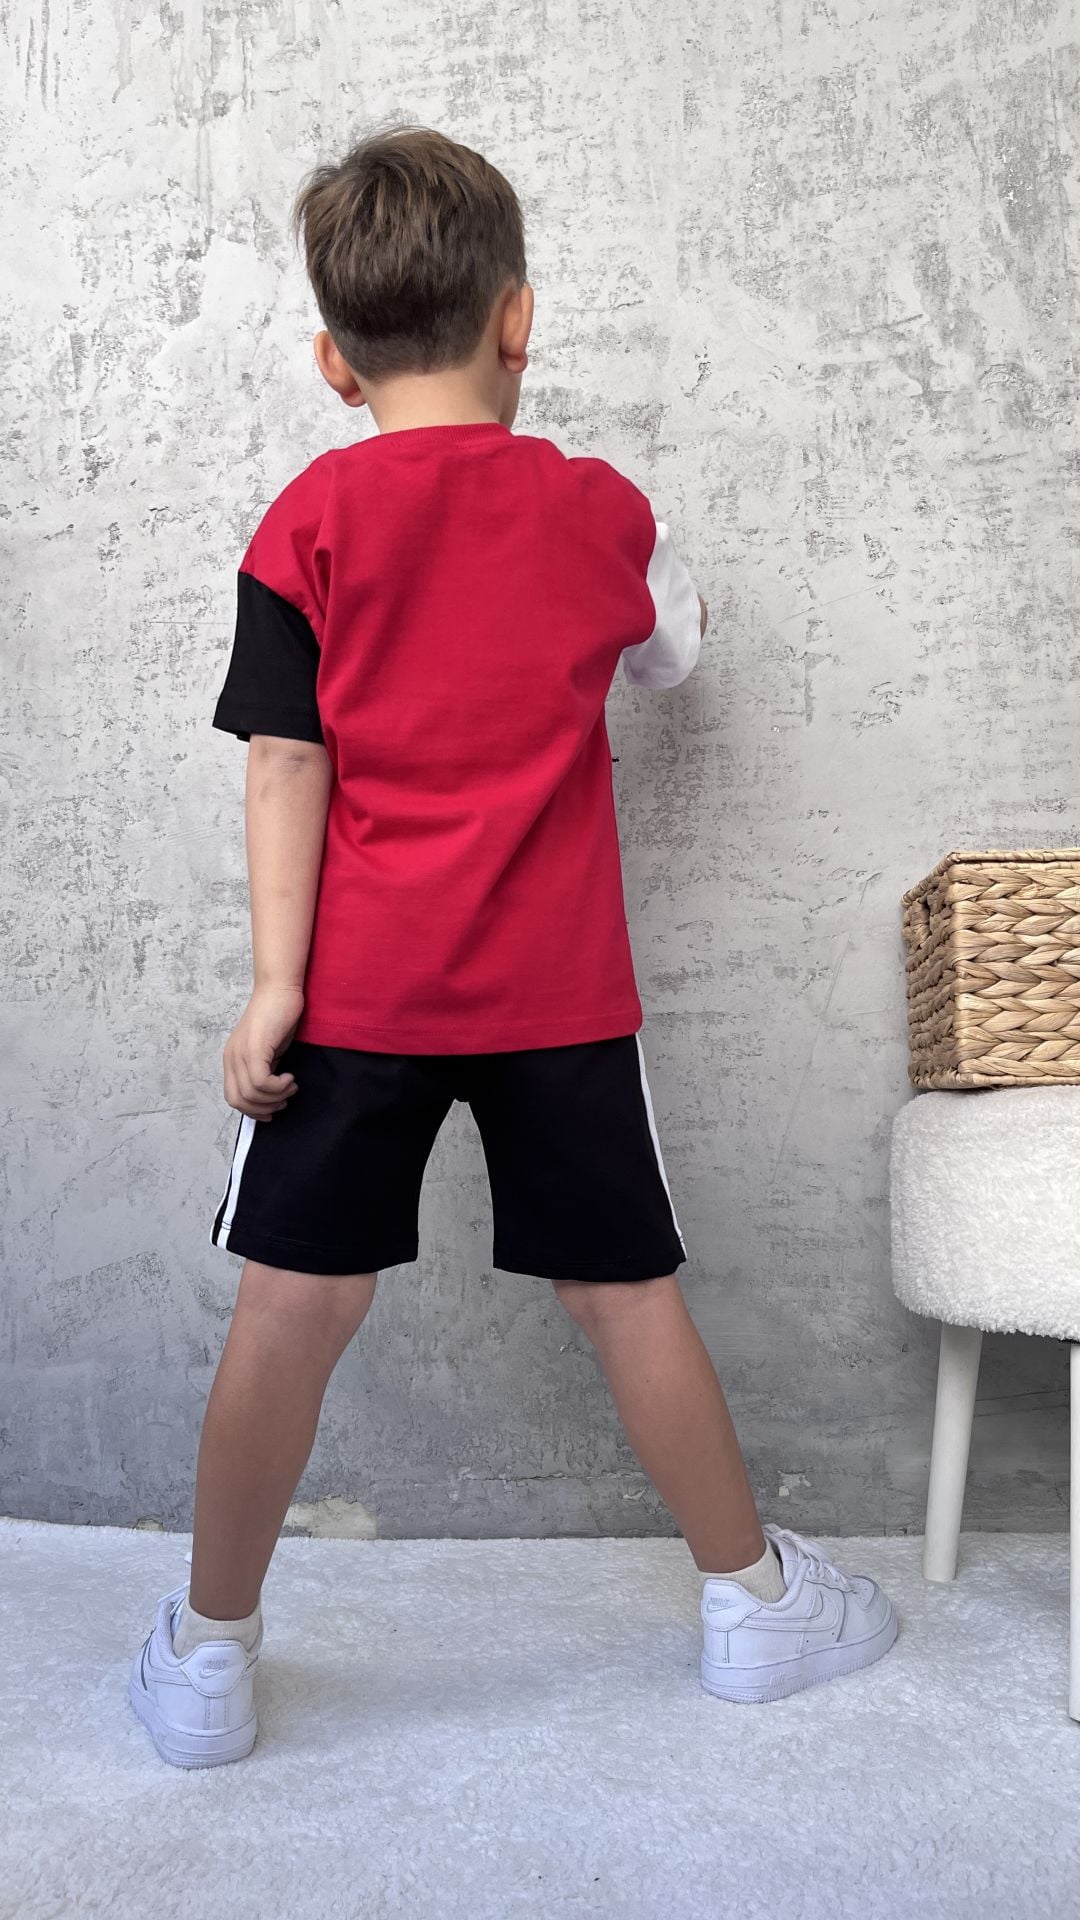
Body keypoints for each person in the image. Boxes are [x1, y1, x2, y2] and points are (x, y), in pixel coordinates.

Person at [128, 125, 897, 1768]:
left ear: (334, 361)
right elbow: (675, 656)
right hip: (560, 998)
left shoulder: (305, 521)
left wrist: (276, 986)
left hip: (357, 997)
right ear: (521, 318)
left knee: (288, 1310)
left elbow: (284, 762)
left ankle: (207, 1659)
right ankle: (753, 1604)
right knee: (627, 1297)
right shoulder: (599, 510)